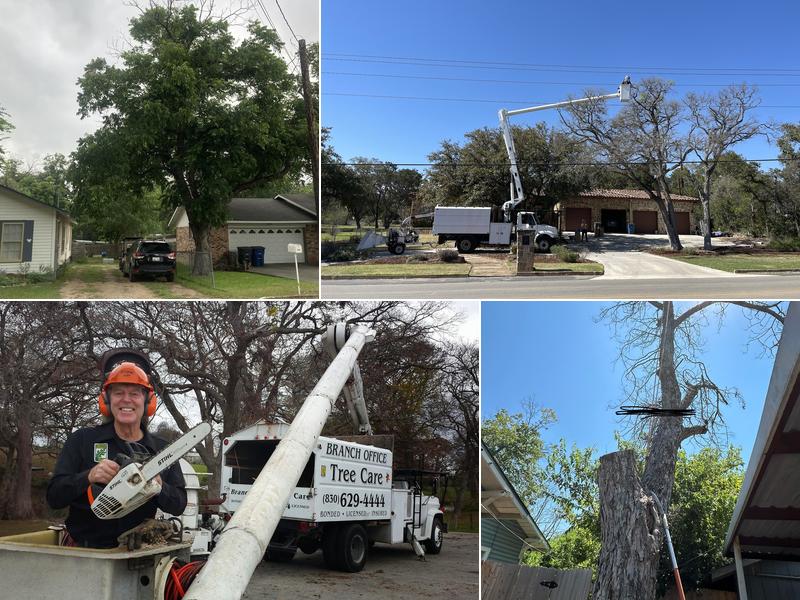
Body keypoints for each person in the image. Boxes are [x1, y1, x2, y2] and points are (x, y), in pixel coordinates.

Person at [46, 351, 187, 548]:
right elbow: (54, 497)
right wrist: (88, 476)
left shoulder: (162, 449)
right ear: (106, 400)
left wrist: (159, 487)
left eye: (134, 393)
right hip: (83, 551)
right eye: (119, 392)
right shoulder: (83, 440)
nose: (126, 400)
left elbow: (179, 504)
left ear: (148, 401)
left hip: (138, 552)